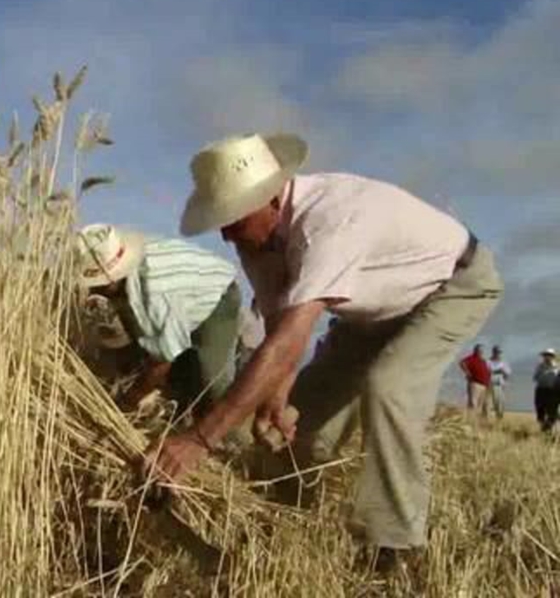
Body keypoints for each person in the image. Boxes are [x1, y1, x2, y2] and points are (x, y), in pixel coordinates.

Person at [142, 132, 503, 574]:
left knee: (388, 389)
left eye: (232, 220)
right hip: (369, 312)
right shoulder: (256, 242)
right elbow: (279, 331)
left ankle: (395, 549)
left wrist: (199, 439)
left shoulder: (331, 220)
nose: (224, 234)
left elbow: (290, 338)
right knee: (298, 417)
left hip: (450, 286)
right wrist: (275, 400)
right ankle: (285, 518)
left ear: (271, 198)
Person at [75, 223, 241, 422]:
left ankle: (227, 436)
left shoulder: (156, 294)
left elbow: (163, 360)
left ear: (112, 281)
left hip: (217, 296)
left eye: (98, 285)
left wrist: (129, 400)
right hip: (176, 296)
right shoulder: (129, 274)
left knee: (211, 380)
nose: (94, 290)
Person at [533, 349, 560, 433]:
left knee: (552, 412)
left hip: (553, 392)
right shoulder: (539, 366)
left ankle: (549, 430)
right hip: (541, 390)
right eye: (545, 355)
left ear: (553, 356)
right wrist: (544, 376)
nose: (547, 357)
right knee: (540, 410)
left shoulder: (557, 367)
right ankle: (544, 428)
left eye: (549, 355)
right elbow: (535, 378)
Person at [459, 344, 491, 414]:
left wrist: (488, 384)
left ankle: (476, 421)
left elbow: (487, 373)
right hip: (475, 383)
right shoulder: (472, 358)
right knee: (473, 403)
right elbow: (462, 363)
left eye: (482, 350)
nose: (481, 352)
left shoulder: (483, 361)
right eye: (479, 350)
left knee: (480, 406)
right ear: (475, 350)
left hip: (484, 385)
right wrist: (467, 372)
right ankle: (470, 420)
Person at [485, 346, 510, 420]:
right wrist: (497, 371)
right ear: (493, 352)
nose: (498, 354)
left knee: (499, 404)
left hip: (498, 385)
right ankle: (485, 420)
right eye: (496, 352)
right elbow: (486, 372)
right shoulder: (488, 362)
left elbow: (507, 374)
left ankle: (499, 419)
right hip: (489, 384)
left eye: (499, 352)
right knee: (487, 404)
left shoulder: (503, 363)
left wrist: (504, 377)